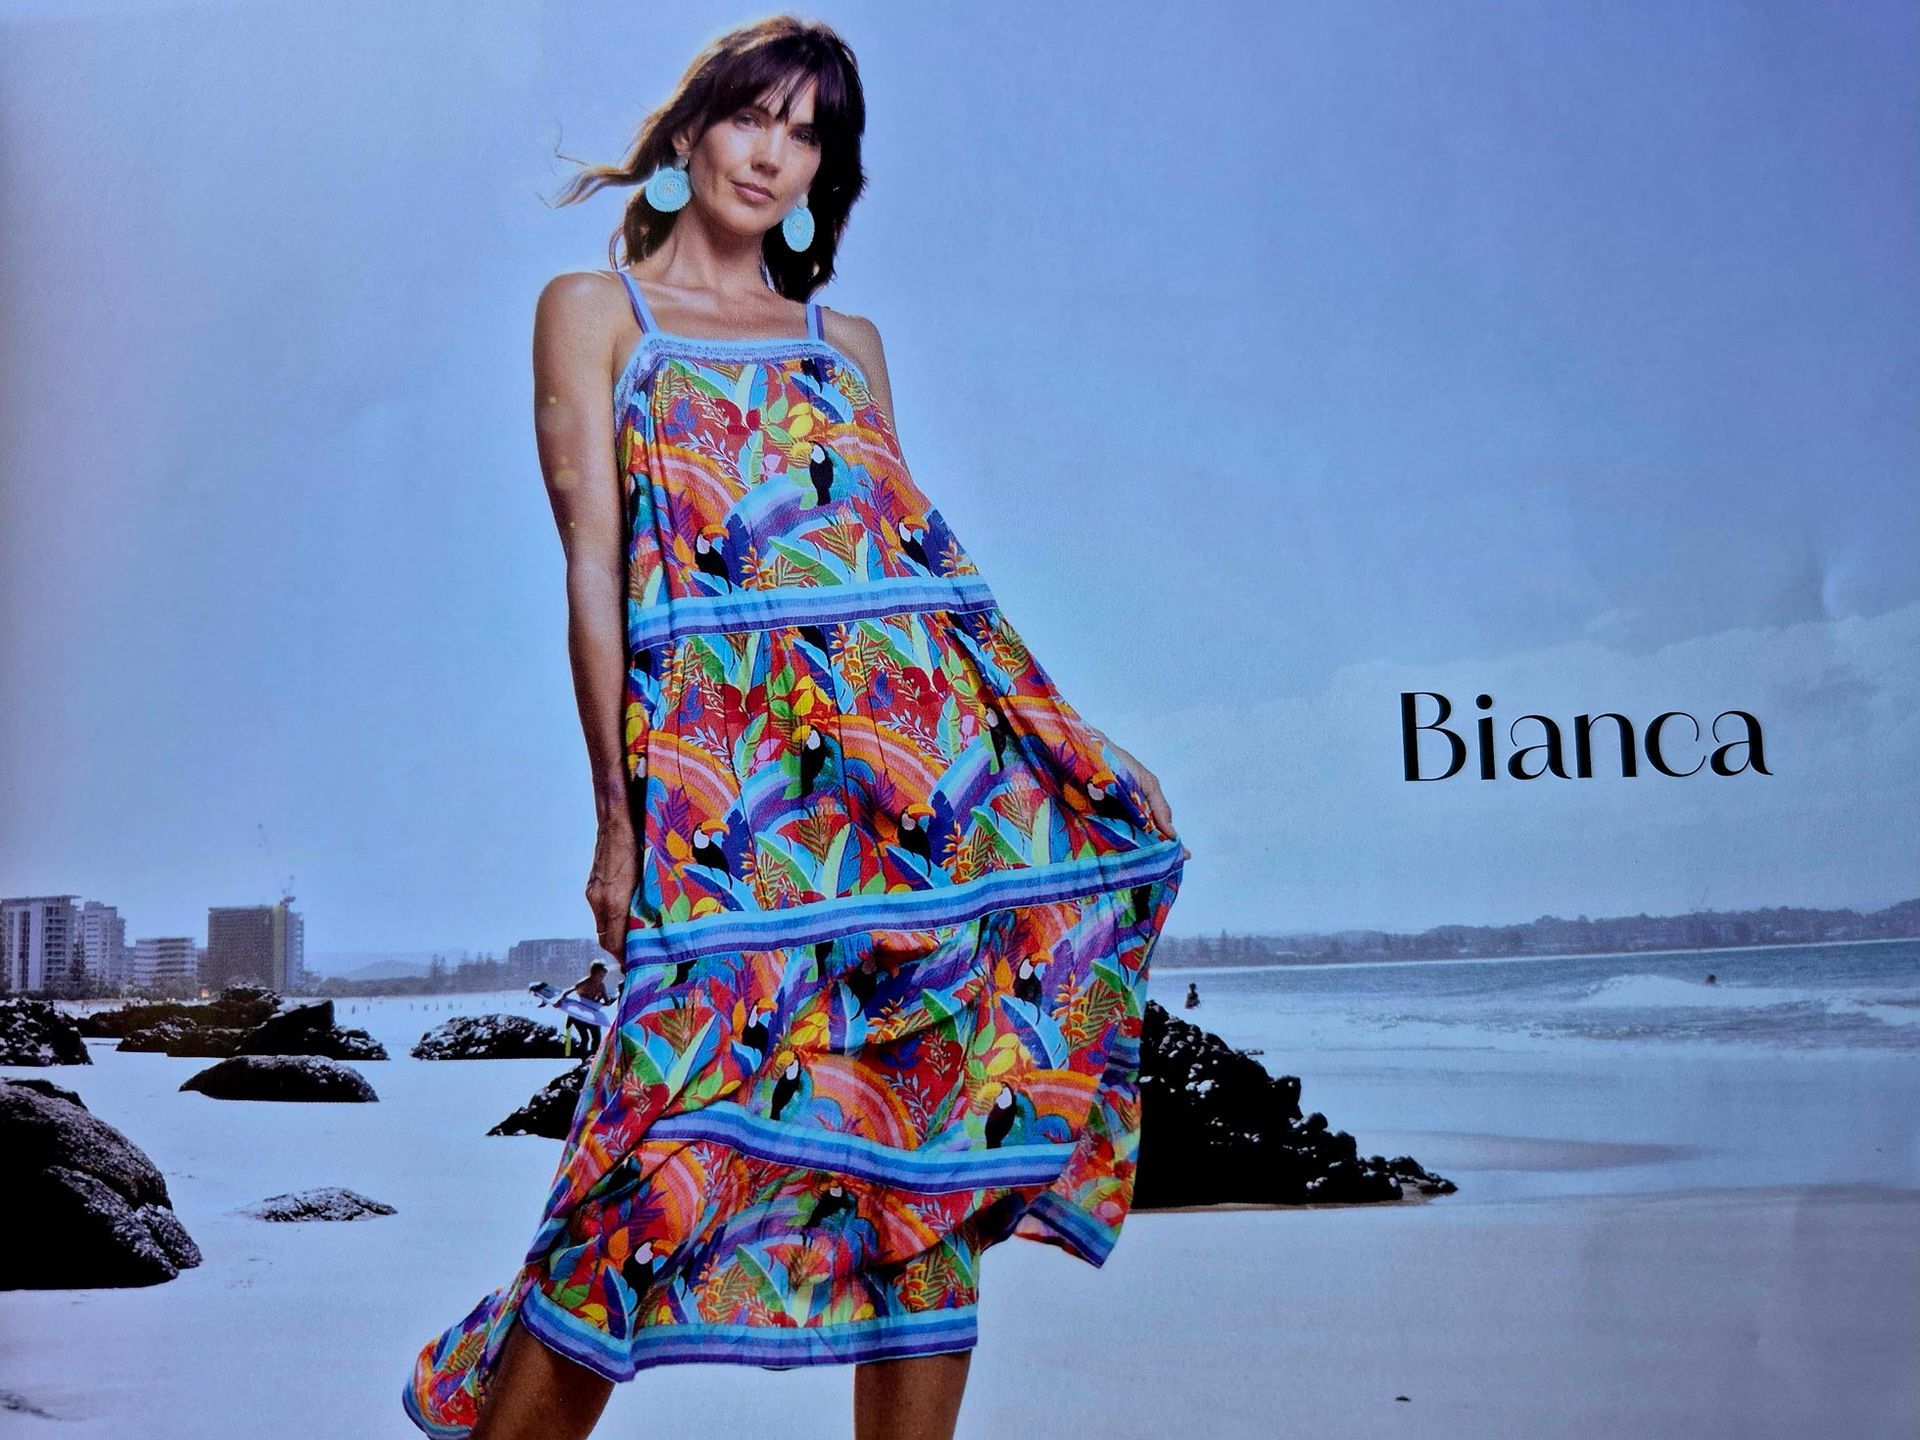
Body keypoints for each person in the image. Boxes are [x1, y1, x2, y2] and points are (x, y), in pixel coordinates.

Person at [404, 18, 1187, 1440]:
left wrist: (1071, 741)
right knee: (642, 1174)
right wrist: (617, 815)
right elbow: (593, 565)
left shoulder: (850, 344)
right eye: (753, 116)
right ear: (693, 132)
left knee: (925, 1158)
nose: (774, 150)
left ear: (829, 170)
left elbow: (917, 576)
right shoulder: (595, 315)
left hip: (921, 810)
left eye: (808, 131)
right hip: (723, 815)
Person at [557, 960, 613, 1053]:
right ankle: (582, 1057)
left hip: (590, 1013)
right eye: (600, 976)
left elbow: (606, 1001)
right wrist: (559, 1000)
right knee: (585, 1038)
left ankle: (593, 1058)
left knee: (597, 1037)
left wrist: (603, 1002)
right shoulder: (584, 982)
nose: (602, 978)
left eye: (603, 976)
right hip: (578, 1013)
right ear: (593, 973)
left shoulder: (601, 986)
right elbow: (568, 990)